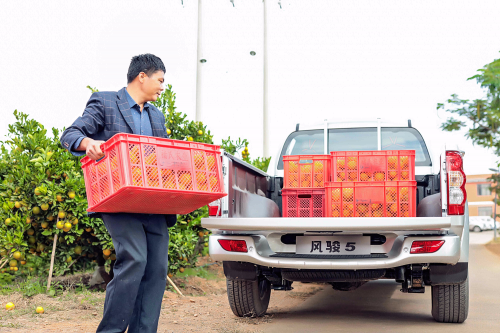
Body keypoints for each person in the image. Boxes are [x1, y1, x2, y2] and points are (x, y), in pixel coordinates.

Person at [60, 53, 176, 333]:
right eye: (160, 80)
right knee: (135, 258)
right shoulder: (106, 101)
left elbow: (159, 156)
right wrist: (88, 142)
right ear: (142, 77)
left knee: (157, 269)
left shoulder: (156, 115)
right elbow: (70, 134)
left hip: (153, 203)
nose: (163, 87)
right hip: (119, 200)